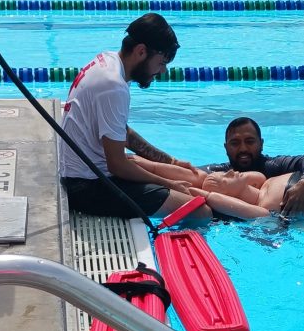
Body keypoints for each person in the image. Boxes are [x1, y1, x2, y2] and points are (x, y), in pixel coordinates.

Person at [58, 13, 210, 223]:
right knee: (199, 211)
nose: (163, 71)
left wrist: (171, 161)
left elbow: (123, 133)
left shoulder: (109, 62)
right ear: (141, 51)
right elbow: (117, 165)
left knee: (182, 178)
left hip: (85, 173)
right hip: (87, 186)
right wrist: (168, 184)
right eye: (162, 62)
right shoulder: (113, 86)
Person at [200, 117, 304, 217]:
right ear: (226, 148)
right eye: (235, 143)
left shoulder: (274, 166)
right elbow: (192, 173)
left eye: (250, 142)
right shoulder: (221, 173)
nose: (243, 148)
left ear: (261, 144)